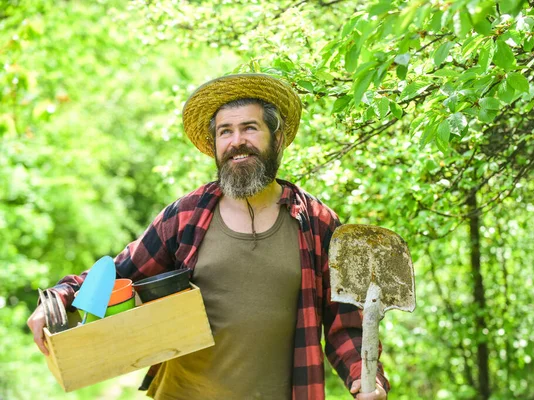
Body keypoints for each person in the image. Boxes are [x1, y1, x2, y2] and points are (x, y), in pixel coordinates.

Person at [27, 74, 390, 399]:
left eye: (250, 128)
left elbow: (347, 326)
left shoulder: (317, 223)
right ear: (215, 144)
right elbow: (117, 276)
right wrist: (58, 299)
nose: (237, 142)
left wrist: (366, 378)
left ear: (276, 139)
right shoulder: (186, 214)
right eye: (225, 132)